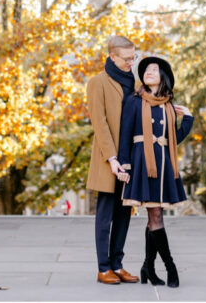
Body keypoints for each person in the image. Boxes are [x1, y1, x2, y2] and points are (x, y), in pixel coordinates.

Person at [117, 56, 193, 287]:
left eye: (153, 69)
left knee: (154, 217)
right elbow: (125, 134)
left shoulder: (169, 105)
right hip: (143, 165)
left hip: (164, 166)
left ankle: (147, 267)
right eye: (146, 70)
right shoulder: (134, 101)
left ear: (163, 76)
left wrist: (187, 119)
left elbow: (173, 140)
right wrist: (125, 164)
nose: (148, 72)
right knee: (156, 216)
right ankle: (170, 267)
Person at [85, 35, 141, 285]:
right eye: (127, 59)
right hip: (109, 160)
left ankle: (117, 264)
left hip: (131, 159)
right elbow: (100, 122)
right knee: (105, 215)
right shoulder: (97, 82)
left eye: (134, 57)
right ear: (112, 56)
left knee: (124, 213)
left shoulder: (135, 82)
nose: (131, 62)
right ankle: (103, 268)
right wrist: (112, 158)